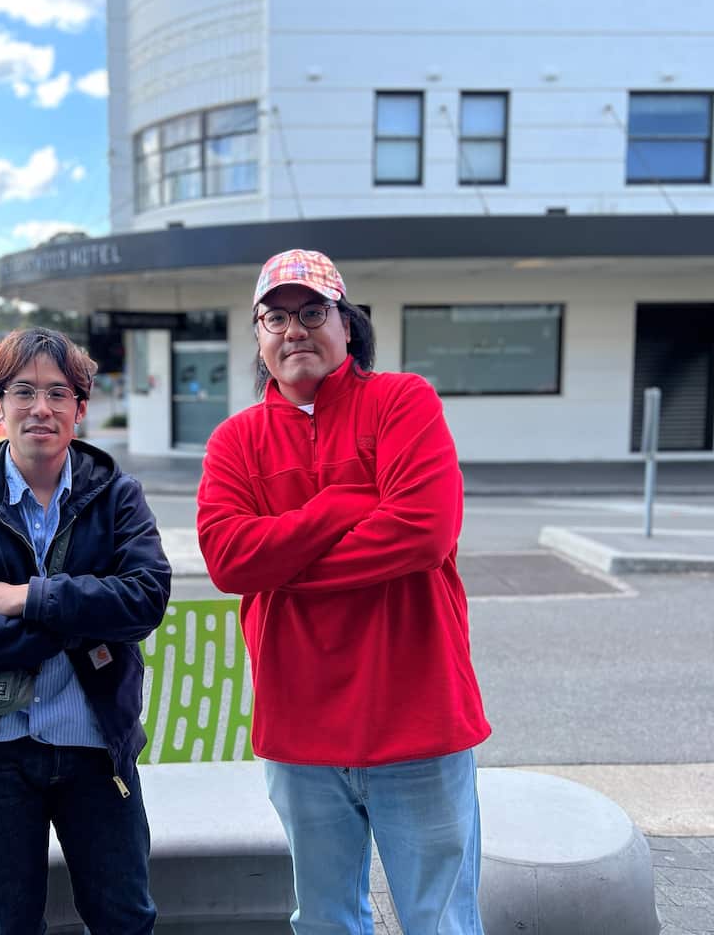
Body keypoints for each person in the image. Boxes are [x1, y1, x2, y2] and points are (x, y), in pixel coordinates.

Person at [196, 249, 491, 935]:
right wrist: (342, 505)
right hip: (301, 732)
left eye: (311, 312)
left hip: (420, 720)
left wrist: (286, 567)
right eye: (275, 317)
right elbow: (230, 560)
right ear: (259, 337)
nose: (293, 329)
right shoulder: (235, 441)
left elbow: (422, 530)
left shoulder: (403, 400)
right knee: (326, 922)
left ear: (346, 324)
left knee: (441, 920)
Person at [0, 327, 171, 935]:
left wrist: (27, 598)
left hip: (94, 744)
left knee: (125, 917)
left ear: (80, 410)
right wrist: (78, 617)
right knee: (9, 923)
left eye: (59, 393)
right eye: (24, 391)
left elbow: (146, 597)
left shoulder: (116, 496)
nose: (41, 408)